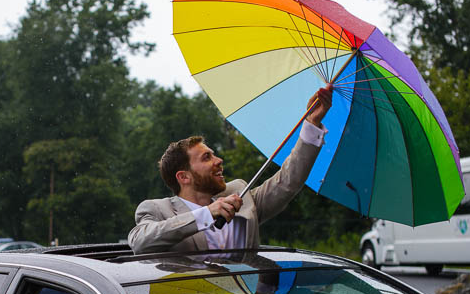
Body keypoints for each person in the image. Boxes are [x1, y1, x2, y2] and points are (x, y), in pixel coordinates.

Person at [128, 86, 332, 255]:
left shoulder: (240, 196)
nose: (219, 160)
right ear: (184, 177)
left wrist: (312, 123)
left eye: (213, 154)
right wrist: (206, 214)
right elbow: (140, 241)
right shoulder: (156, 210)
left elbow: (289, 181)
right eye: (207, 157)